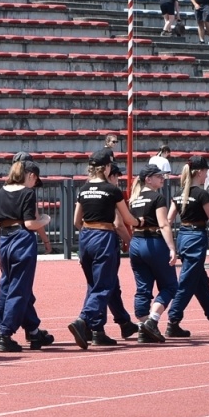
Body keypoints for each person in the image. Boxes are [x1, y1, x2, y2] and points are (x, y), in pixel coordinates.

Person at [68, 149, 138, 349]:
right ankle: (84, 320)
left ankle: (97, 329)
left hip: (86, 237)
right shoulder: (112, 190)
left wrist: (88, 231)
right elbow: (126, 219)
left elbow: (76, 221)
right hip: (104, 237)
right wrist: (140, 221)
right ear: (106, 167)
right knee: (104, 285)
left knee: (94, 284)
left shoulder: (83, 189)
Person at [163, 155, 209, 338]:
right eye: (206, 171)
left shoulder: (180, 192)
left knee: (200, 282)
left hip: (184, 235)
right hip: (196, 237)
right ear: (199, 172)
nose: (207, 175)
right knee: (188, 280)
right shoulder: (201, 194)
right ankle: (173, 320)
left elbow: (168, 219)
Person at [0, 159, 48, 352]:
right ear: (30, 176)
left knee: (7, 286)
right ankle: (6, 333)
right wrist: (45, 219)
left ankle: (8, 329)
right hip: (22, 240)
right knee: (19, 289)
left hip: (5, 239)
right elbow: (30, 224)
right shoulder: (27, 193)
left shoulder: (0, 192)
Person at [127, 163, 178, 342]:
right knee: (170, 285)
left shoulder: (134, 198)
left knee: (143, 288)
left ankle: (142, 326)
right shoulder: (157, 198)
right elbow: (164, 224)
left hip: (137, 242)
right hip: (154, 242)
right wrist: (172, 247)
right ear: (148, 179)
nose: (162, 178)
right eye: (159, 176)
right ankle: (152, 320)